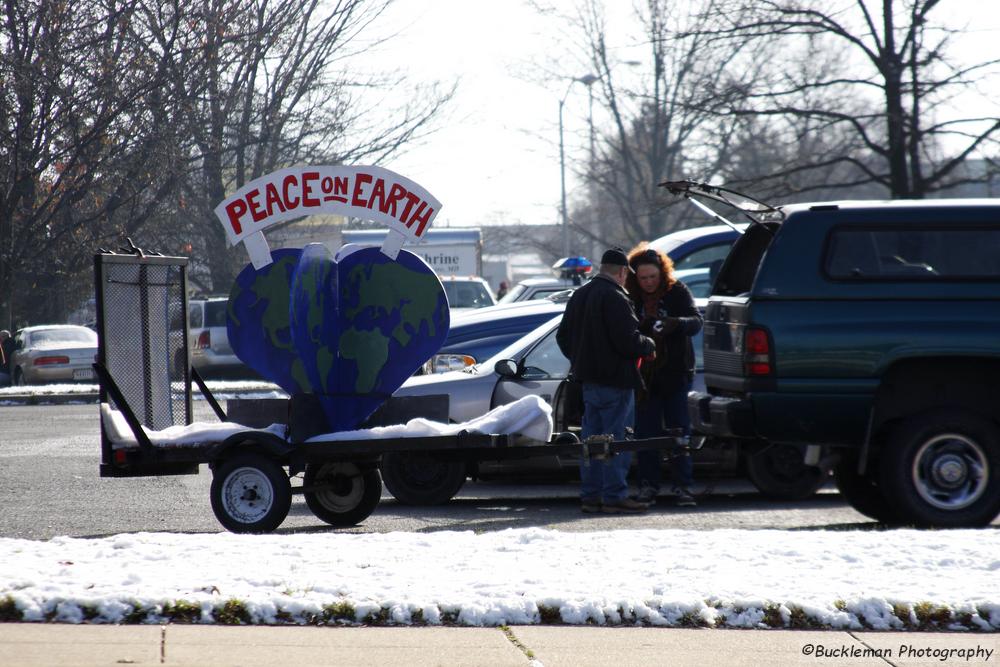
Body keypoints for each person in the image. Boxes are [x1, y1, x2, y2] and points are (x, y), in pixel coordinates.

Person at [557, 247, 655, 514]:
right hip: (617, 382)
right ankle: (614, 496)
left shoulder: (579, 295)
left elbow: (562, 337)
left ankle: (591, 496)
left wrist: (579, 360)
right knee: (617, 442)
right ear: (622, 272)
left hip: (588, 383)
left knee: (593, 443)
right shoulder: (615, 298)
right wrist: (648, 344)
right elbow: (628, 342)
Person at [625, 245, 704, 507]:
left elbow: (696, 322)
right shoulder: (630, 297)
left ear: (662, 274)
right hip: (645, 376)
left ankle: (683, 486)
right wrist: (641, 327)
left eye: (653, 277)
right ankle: (648, 486)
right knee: (646, 434)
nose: (648, 282)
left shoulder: (677, 291)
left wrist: (676, 323)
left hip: (676, 372)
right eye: (643, 278)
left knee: (679, 431)